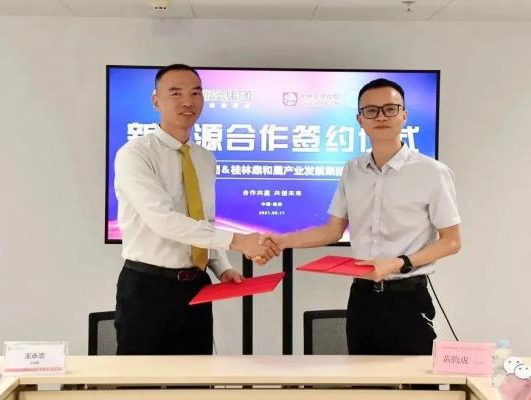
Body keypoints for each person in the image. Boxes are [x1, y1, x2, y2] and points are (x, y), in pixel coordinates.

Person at [261, 78, 462, 355]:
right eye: (371, 110)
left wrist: (398, 263)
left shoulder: (432, 172)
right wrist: (280, 241)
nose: (381, 117)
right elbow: (332, 231)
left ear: (404, 115)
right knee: (360, 376)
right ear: (360, 120)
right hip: (362, 298)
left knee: (411, 380)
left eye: (390, 109)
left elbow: (452, 241)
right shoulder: (352, 170)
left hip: (408, 299)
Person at [113, 64, 279, 355]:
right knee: (143, 377)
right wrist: (239, 241)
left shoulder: (204, 158)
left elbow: (203, 220)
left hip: (196, 287)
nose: (187, 101)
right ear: (156, 100)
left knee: (197, 373)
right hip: (148, 288)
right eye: (176, 93)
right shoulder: (135, 154)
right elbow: (164, 221)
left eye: (195, 93)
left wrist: (221, 267)